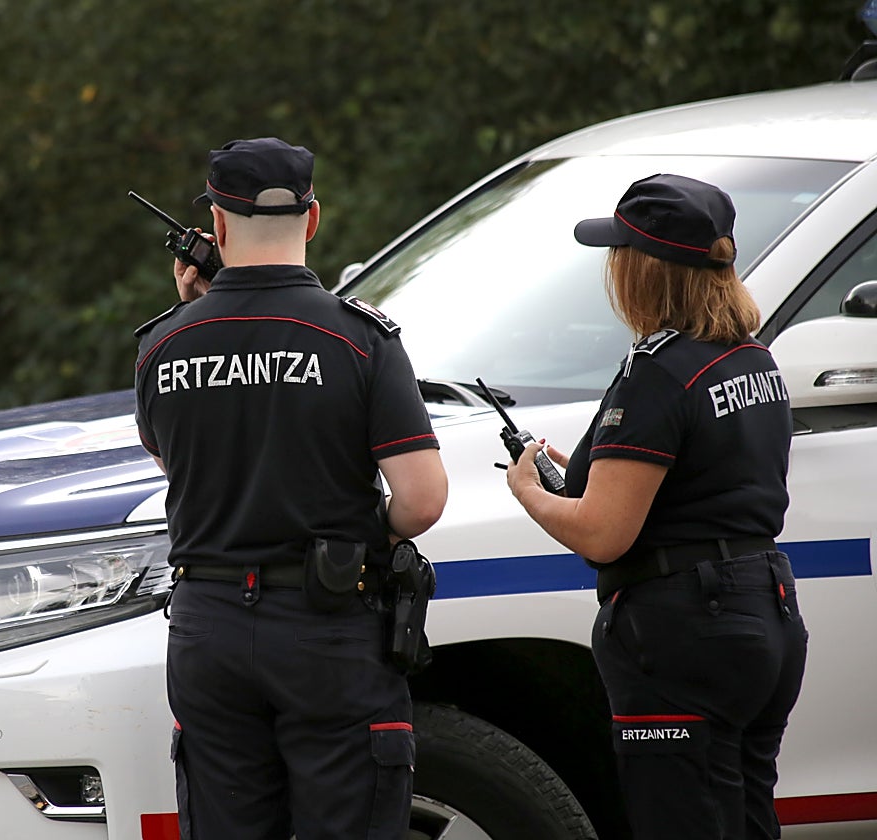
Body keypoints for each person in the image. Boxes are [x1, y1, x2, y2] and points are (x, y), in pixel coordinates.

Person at [134, 137, 448, 840]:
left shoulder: (160, 346)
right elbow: (423, 499)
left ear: (216, 226)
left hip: (207, 627)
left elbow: (186, 471)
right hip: (327, 625)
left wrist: (194, 315)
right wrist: (373, 532)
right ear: (312, 221)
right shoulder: (359, 338)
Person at [503, 173, 809, 840]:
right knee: (747, 817)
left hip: (685, 633)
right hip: (765, 612)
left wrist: (529, 492)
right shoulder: (751, 358)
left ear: (644, 271)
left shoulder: (659, 373)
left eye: (619, 253)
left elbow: (604, 534)